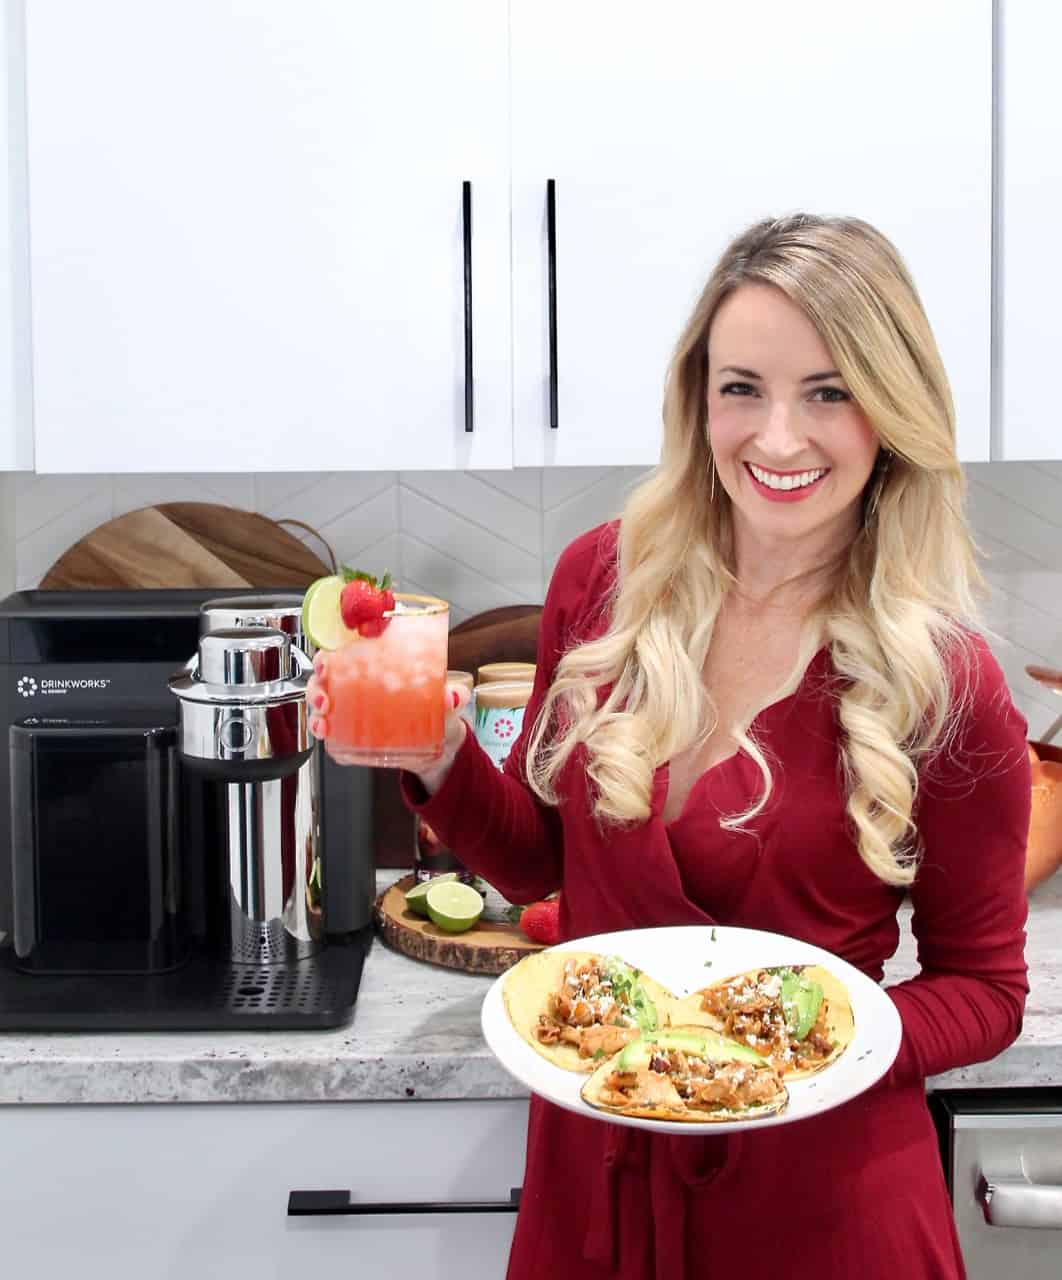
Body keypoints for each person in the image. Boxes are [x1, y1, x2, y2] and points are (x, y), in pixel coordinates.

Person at [306, 213, 1031, 1280]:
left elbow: (985, 988)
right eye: (742, 386)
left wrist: (817, 1041)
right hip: (593, 1183)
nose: (777, 438)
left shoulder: (947, 680)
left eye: (828, 391)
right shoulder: (605, 581)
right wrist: (441, 754)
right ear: (698, 397)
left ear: (892, 408)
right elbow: (544, 862)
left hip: (824, 1208)